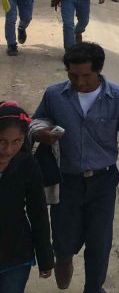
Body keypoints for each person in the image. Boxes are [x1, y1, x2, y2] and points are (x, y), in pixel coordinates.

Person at [32, 42, 119, 293]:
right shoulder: (54, 95)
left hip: (102, 182)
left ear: (98, 71)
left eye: (86, 76)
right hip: (65, 183)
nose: (79, 82)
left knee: (99, 244)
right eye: (73, 75)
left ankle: (93, 288)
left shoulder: (118, 97)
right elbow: (37, 121)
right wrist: (41, 134)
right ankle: (65, 269)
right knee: (63, 244)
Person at [0, 102, 54, 292]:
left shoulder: (28, 166)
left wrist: (45, 257)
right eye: (2, 141)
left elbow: (38, 212)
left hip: (16, 254)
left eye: (17, 141)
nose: (8, 150)